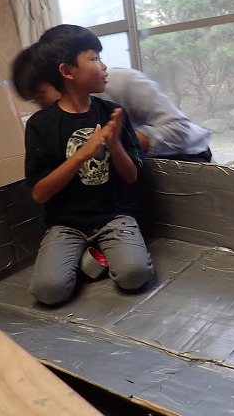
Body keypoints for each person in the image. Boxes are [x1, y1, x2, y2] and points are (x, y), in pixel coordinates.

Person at [23, 24, 154, 305]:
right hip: (65, 223)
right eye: (94, 58)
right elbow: (39, 193)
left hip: (114, 216)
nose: (103, 66)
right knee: (48, 291)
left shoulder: (112, 113)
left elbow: (131, 177)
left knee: (134, 276)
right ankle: (89, 258)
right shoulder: (40, 124)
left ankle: (98, 256)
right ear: (67, 71)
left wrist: (114, 144)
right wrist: (82, 154)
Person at [12, 46, 212, 163]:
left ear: (63, 74)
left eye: (41, 97)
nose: (41, 107)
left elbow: (179, 130)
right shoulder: (58, 117)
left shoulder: (123, 82)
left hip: (186, 156)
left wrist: (116, 141)